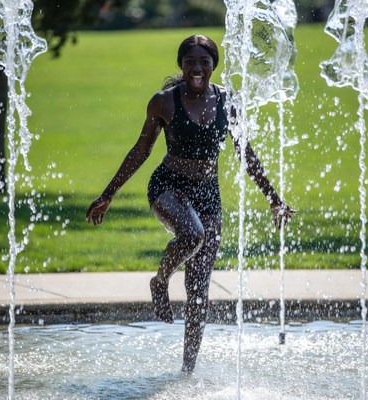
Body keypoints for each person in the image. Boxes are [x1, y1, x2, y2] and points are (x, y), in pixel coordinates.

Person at [86, 34, 295, 372]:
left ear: (213, 65)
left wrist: (274, 199)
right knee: (192, 235)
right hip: (168, 187)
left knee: (199, 288)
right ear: (180, 65)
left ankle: (187, 371)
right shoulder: (164, 102)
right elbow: (141, 151)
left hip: (207, 193)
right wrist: (108, 194)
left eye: (204, 62)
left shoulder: (228, 102)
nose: (197, 69)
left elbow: (246, 153)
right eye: (190, 63)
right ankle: (160, 281)